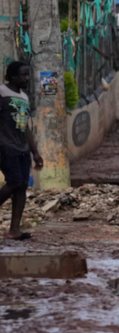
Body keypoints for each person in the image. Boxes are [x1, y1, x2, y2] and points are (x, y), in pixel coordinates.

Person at [0, 62, 44, 240]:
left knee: (22, 187)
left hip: (23, 149)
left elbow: (25, 127)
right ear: (12, 77)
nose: (26, 78)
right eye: (23, 75)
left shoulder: (24, 98)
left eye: (27, 75)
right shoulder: (2, 93)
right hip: (5, 146)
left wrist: (35, 152)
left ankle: (14, 229)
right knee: (14, 181)